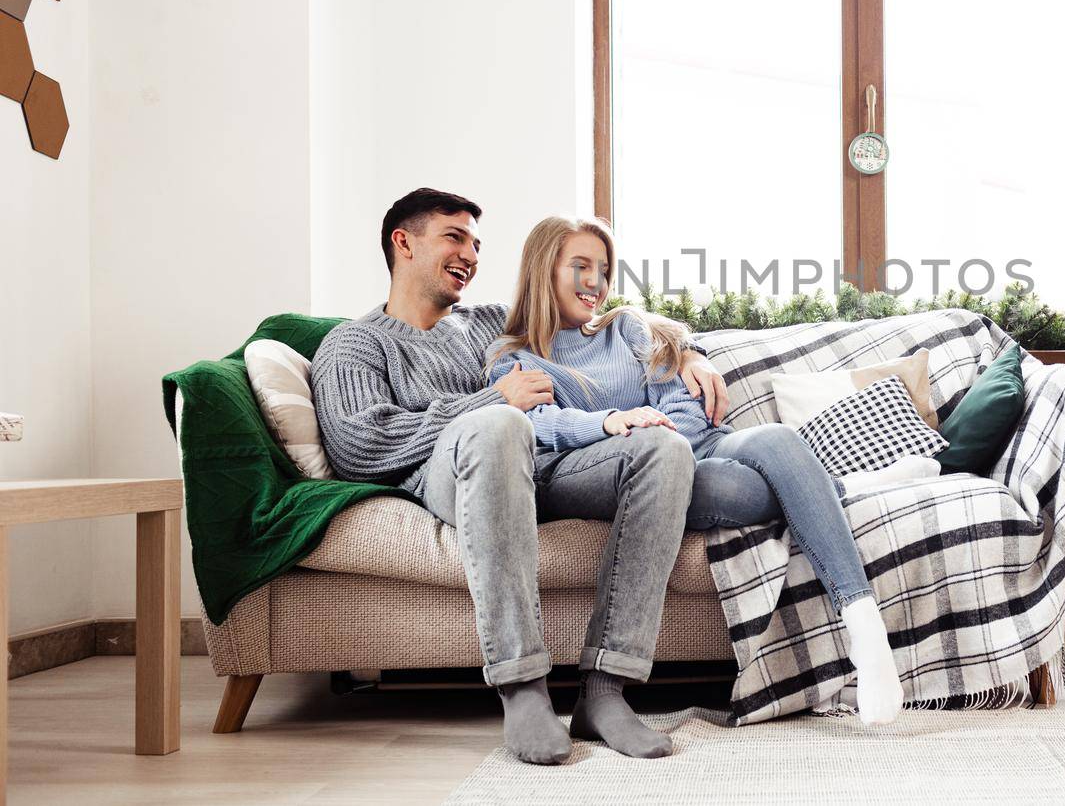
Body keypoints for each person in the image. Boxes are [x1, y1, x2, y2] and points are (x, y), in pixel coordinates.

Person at [311, 189, 730, 765]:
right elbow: (360, 445)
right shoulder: (356, 342)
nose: (471, 255)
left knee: (662, 446)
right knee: (499, 426)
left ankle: (607, 690)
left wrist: (689, 353)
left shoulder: (489, 324)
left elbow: (605, 320)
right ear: (403, 243)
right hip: (447, 479)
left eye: (477, 244)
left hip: (542, 474)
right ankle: (522, 685)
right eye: (454, 237)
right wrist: (490, 401)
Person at [486, 215, 938, 727]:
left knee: (780, 439)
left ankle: (865, 626)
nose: (596, 282)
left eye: (604, 270)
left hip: (697, 448)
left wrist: (670, 440)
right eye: (581, 266)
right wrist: (613, 422)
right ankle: (844, 488)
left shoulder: (626, 328)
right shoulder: (515, 359)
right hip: (633, 475)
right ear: (543, 269)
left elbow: (678, 398)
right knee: (740, 483)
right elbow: (540, 424)